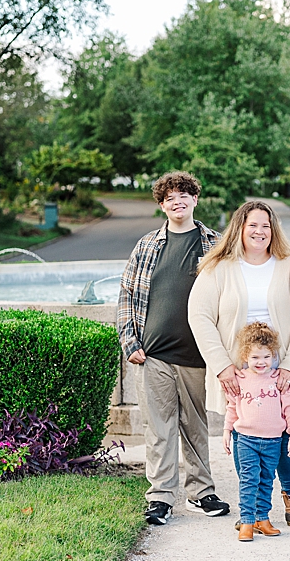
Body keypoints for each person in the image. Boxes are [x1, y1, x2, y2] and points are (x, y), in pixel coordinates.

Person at [188, 200, 290, 533]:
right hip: (238, 374)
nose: (259, 232)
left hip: (283, 374)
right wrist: (221, 366)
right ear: (239, 229)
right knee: (247, 440)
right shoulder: (218, 268)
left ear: (273, 230)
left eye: (265, 226)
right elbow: (199, 316)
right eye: (252, 226)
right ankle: (254, 512)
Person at [116, 171, 230, 526]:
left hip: (198, 356)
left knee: (196, 426)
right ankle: (161, 498)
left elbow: (232, 294)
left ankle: (201, 492)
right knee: (159, 430)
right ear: (162, 205)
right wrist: (129, 341)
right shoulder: (147, 245)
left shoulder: (216, 243)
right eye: (169, 198)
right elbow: (125, 296)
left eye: (183, 194)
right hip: (152, 355)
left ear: (195, 199)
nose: (176, 201)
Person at [223, 322, 290, 542]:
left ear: (274, 355)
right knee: (249, 480)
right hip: (246, 440)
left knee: (267, 480)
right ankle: (247, 522)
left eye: (267, 357)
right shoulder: (239, 379)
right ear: (245, 356)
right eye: (255, 357)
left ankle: (262, 518)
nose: (261, 362)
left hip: (273, 441)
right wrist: (227, 431)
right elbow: (231, 408)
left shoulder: (280, 380)